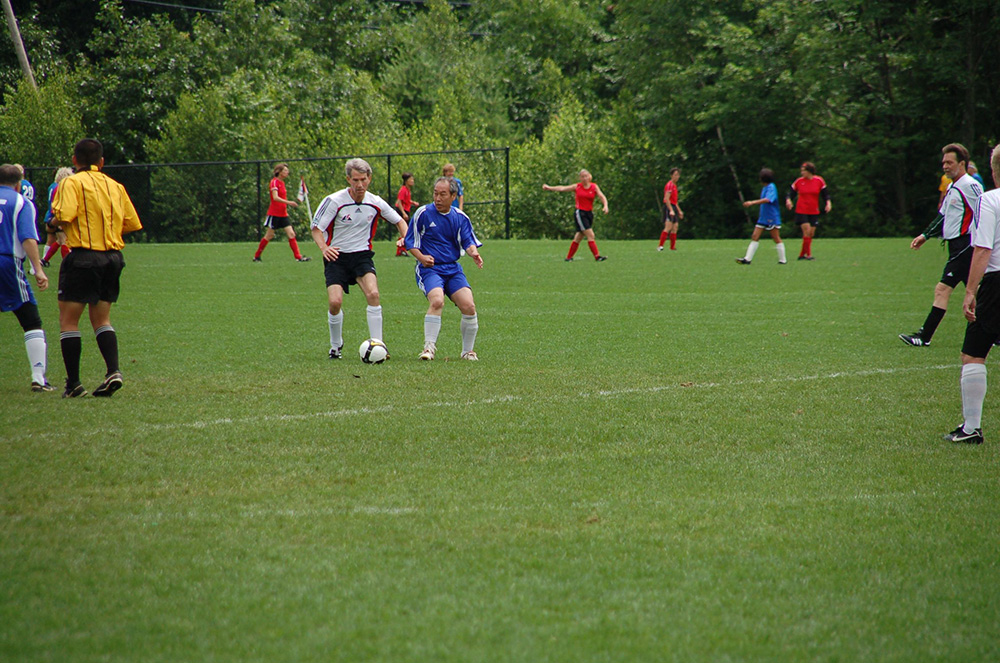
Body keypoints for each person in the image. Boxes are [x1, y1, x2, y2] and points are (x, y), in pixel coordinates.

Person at [51, 138, 142, 398]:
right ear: (101, 162)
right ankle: (113, 371)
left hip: (83, 257)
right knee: (102, 319)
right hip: (112, 259)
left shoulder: (71, 182)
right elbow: (131, 223)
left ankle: (74, 385)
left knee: (69, 321)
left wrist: (53, 223)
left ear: (74, 160)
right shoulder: (115, 185)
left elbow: (65, 215)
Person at [310, 158, 408, 359]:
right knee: (335, 302)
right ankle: (336, 346)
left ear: (369, 178)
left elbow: (399, 221)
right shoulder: (334, 201)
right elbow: (316, 229)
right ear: (348, 179)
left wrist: (405, 238)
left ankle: (379, 346)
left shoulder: (375, 202)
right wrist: (324, 248)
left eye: (363, 179)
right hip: (337, 256)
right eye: (355, 180)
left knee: (373, 294)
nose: (360, 184)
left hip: (362, 255)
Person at [942, 144, 1000, 444]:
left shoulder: (990, 200)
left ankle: (971, 428)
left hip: (996, 283)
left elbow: (983, 249)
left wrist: (970, 291)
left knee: (973, 354)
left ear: (993, 170)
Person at [899, 143, 984, 347]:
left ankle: (924, 336)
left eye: (949, 162)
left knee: (942, 289)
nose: (945, 166)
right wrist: (925, 235)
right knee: (979, 292)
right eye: (943, 162)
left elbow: (984, 213)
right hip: (956, 247)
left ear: (962, 163)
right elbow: (943, 216)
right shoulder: (952, 186)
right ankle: (993, 335)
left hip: (965, 247)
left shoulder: (970, 185)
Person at [405, 177, 483, 361]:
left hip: (453, 269)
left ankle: (467, 352)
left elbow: (468, 241)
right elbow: (410, 242)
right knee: (437, 301)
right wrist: (422, 258)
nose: (438, 198)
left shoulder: (460, 217)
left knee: (469, 306)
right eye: (435, 194)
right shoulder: (423, 213)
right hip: (430, 269)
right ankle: (428, 349)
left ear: (453, 196)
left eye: (443, 194)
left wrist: (473, 253)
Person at [0, 164, 55, 392]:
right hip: (7, 263)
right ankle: (38, 378)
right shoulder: (22, 202)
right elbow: (28, 238)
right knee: (31, 319)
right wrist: (38, 269)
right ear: (19, 184)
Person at [542, 169, 609, 262]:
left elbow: (602, 196)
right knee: (591, 235)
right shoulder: (577, 187)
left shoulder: (594, 187)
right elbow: (562, 188)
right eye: (582, 176)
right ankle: (597, 257)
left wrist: (605, 206)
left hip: (589, 213)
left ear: (590, 176)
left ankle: (569, 258)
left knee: (579, 236)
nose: (584, 178)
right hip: (580, 213)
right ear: (580, 178)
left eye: (586, 176)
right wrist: (549, 188)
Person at [253, 163, 310, 262]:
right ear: (279, 172)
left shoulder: (282, 183)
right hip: (274, 214)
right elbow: (275, 197)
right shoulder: (274, 182)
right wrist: (289, 202)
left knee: (291, 234)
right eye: (285, 170)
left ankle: (298, 257)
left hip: (283, 214)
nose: (287, 172)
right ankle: (257, 256)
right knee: (269, 235)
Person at [737, 168, 786, 265]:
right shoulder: (765, 187)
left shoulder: (771, 187)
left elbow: (768, 199)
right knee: (755, 236)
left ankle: (783, 260)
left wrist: (752, 202)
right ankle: (747, 259)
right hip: (763, 217)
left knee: (776, 237)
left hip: (771, 217)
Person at [785, 162, 831, 260]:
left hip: (813, 210)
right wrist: (788, 200)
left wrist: (828, 203)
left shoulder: (819, 181)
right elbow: (790, 193)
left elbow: (825, 194)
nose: (802, 173)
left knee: (811, 234)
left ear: (809, 171)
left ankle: (802, 255)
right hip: (802, 210)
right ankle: (808, 255)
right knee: (807, 231)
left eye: (803, 171)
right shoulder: (799, 181)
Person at [40, 167, 74, 267]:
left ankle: (45, 259)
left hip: (52, 217)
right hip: (58, 218)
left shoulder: (55, 187)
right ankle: (67, 265)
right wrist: (58, 219)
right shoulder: (61, 188)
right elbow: (58, 205)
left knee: (59, 241)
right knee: (63, 241)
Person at [657, 168, 684, 251]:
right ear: (671, 176)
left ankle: (672, 247)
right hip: (669, 207)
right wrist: (671, 210)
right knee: (668, 227)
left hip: (673, 206)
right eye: (675, 175)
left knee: (675, 227)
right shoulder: (670, 185)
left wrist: (679, 210)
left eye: (678, 175)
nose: (677, 177)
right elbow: (667, 199)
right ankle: (660, 246)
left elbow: (675, 201)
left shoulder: (675, 186)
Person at [394, 172, 418, 257]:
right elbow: (399, 202)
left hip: (405, 210)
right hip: (402, 211)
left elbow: (406, 200)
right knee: (405, 231)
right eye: (411, 179)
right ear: (406, 181)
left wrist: (413, 202)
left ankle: (401, 250)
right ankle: (401, 249)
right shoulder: (403, 189)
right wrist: (403, 213)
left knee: (406, 232)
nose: (412, 181)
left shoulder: (407, 189)